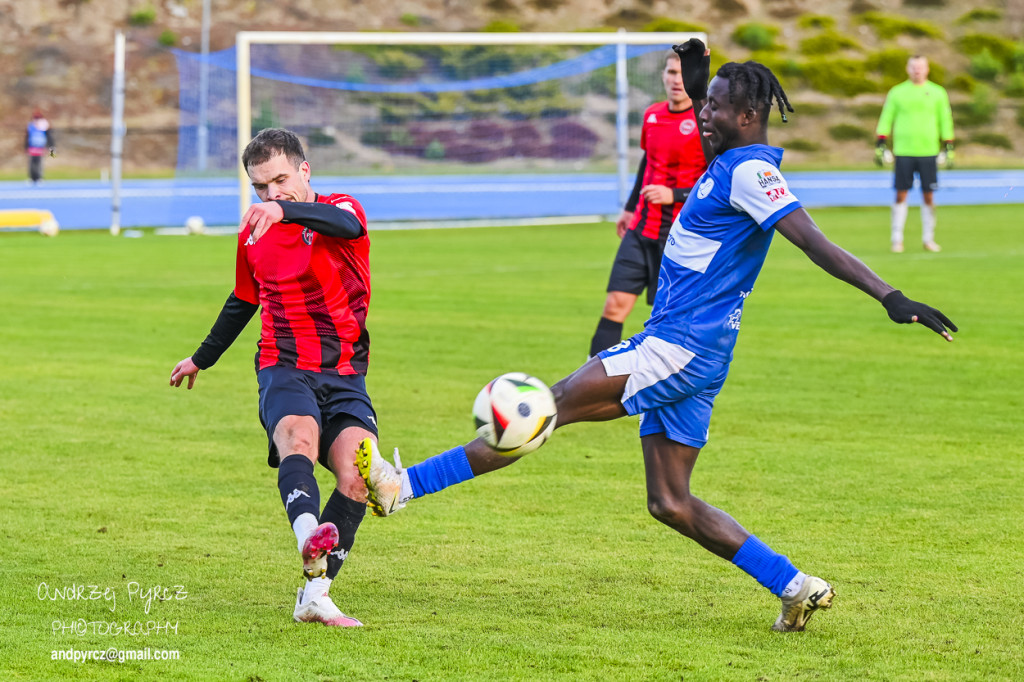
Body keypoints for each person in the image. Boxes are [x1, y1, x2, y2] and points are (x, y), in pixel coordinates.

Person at [355, 41, 958, 633]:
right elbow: (712, 132)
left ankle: (401, 486)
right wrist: (703, 89)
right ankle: (795, 585)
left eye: (715, 106)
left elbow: (814, 241)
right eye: (704, 103)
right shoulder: (730, 159)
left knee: (547, 406)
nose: (702, 114)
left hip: (678, 346)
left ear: (746, 116)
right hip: (698, 353)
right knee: (670, 502)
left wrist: (891, 297)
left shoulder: (750, 171)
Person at [169, 128, 375, 627]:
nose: (271, 194)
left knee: (357, 477)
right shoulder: (253, 231)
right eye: (261, 187)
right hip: (282, 363)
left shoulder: (340, 207)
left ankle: (315, 594)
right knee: (298, 440)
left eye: (280, 180)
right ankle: (309, 533)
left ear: (305, 170)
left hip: (346, 371)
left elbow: (345, 228)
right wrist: (202, 358)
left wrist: (285, 210)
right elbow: (244, 298)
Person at [590, 50, 709, 357]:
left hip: (680, 235)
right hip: (642, 226)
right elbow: (648, 162)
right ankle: (590, 383)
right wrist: (630, 207)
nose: (676, 80)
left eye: (682, 74)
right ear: (663, 75)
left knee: (666, 318)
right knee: (614, 305)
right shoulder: (652, 115)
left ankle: (658, 386)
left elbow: (717, 178)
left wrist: (677, 195)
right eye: (671, 72)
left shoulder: (705, 120)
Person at [875, 55, 955, 254]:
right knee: (901, 193)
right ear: (907, 68)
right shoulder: (897, 92)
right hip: (904, 151)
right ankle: (897, 239)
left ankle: (929, 239)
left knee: (929, 195)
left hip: (928, 151)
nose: (917, 70)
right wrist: (881, 141)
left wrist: (949, 144)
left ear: (927, 69)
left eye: (920, 67)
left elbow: (945, 118)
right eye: (913, 67)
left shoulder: (937, 92)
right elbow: (887, 117)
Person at [25, 110, 55, 185]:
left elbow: (49, 137)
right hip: (32, 147)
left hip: (41, 147)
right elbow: (27, 137)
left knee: (39, 163)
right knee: (32, 163)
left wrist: (51, 148)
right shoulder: (31, 126)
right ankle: (32, 178)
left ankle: (39, 177)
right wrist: (26, 147)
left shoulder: (44, 126)